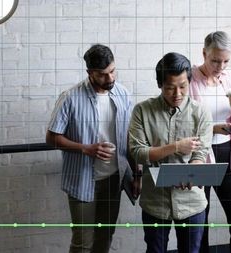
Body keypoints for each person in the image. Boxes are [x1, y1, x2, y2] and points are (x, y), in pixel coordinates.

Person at [46, 44, 133, 253]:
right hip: (82, 179)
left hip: (114, 178)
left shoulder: (123, 94)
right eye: (103, 75)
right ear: (90, 73)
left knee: (105, 237)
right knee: (82, 242)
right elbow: (52, 137)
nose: (110, 78)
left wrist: (136, 173)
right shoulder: (70, 97)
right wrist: (86, 149)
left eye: (112, 71)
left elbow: (130, 138)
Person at [128, 52, 213, 253]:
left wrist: (193, 171)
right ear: (160, 85)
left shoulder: (200, 112)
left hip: (191, 200)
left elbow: (200, 153)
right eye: (170, 88)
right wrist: (175, 147)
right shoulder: (142, 111)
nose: (177, 94)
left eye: (183, 86)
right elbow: (137, 152)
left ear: (189, 82)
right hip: (155, 201)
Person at [189, 31, 231, 253]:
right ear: (204, 53)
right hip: (199, 154)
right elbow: (183, 123)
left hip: (228, 151)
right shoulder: (190, 79)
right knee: (199, 223)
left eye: (226, 61)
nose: (220, 66)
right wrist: (213, 128)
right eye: (215, 60)